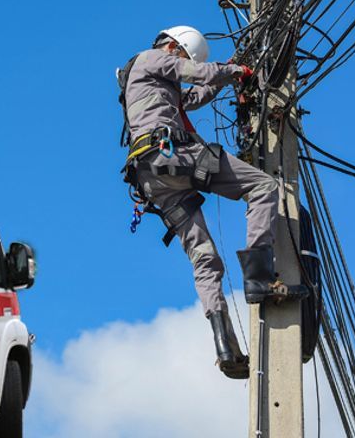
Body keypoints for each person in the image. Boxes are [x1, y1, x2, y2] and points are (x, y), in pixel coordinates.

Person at [118, 25, 280, 380]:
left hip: (152, 177)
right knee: (263, 186)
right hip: (175, 154)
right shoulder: (152, 58)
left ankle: (226, 347)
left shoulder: (145, 83)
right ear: (174, 47)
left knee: (205, 260)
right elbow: (199, 73)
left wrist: (226, 75)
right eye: (182, 56)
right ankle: (259, 278)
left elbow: (195, 95)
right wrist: (237, 71)